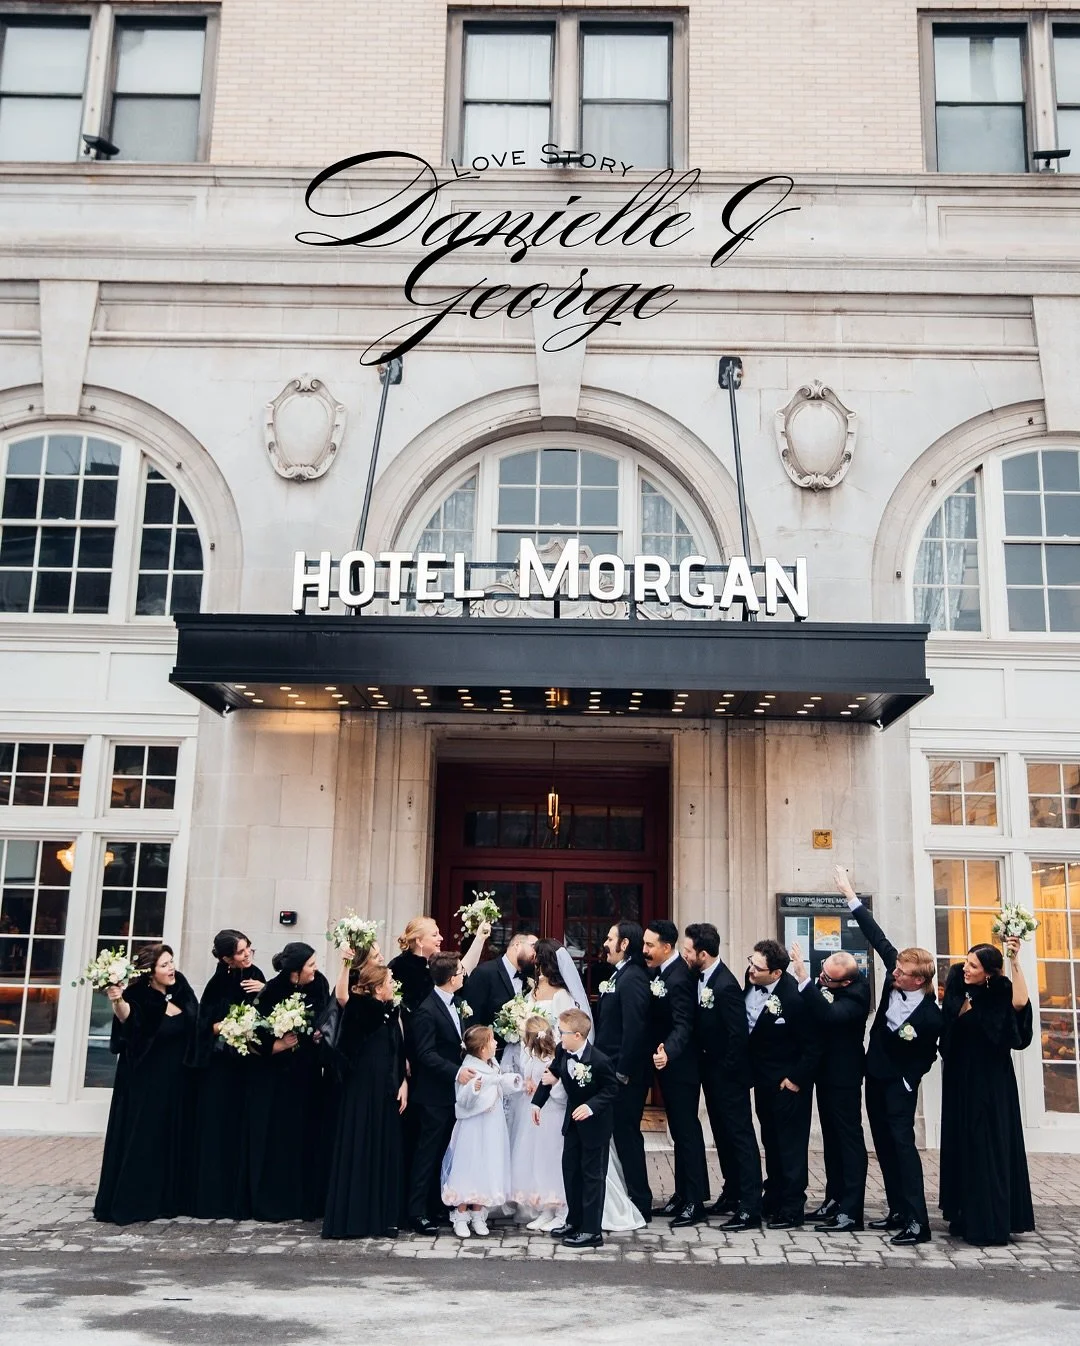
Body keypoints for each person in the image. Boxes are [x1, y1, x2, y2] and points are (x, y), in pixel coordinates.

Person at [836, 864, 942, 1245]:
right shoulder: (895, 977)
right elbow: (876, 936)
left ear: (919, 980)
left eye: (900, 971)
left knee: (903, 1146)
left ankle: (918, 1222)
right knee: (882, 1144)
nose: (893, 972)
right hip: (874, 1076)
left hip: (900, 1085)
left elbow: (930, 1055)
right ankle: (897, 1209)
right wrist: (850, 895)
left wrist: (908, 1078)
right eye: (896, 967)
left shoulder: (930, 1015)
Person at [93, 943, 199, 1225]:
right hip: (146, 1080)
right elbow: (130, 1020)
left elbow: (194, 1020)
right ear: (150, 972)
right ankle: (138, 1200)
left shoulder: (182, 988)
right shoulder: (138, 995)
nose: (171, 968)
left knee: (170, 1135)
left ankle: (169, 1199)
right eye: (164, 965)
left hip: (177, 1079)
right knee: (145, 1136)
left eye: (171, 962)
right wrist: (116, 999)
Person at [939, 938, 1035, 1246]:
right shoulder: (957, 984)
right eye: (966, 962)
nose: (966, 968)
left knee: (985, 1145)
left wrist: (1016, 960)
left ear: (989, 972)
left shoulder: (1000, 992)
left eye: (974, 966)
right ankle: (963, 1211)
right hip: (959, 1080)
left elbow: (1020, 1005)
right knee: (962, 1142)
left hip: (990, 1082)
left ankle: (989, 1220)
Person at [683, 922, 762, 1232]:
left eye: (688, 951)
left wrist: (725, 1073)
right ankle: (732, 1192)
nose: (684, 955)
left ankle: (750, 1206)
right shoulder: (699, 977)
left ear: (704, 953)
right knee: (723, 1136)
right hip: (711, 1073)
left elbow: (736, 1035)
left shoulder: (726, 985)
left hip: (729, 1077)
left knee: (740, 1138)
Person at [322, 959, 407, 1240]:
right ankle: (355, 1218)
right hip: (362, 1088)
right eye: (390, 983)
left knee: (384, 1148)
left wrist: (403, 1082)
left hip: (387, 1087)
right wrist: (345, 963)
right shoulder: (361, 1008)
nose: (394, 986)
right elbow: (343, 995)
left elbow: (398, 1051)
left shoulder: (392, 1010)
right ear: (378, 988)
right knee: (361, 1144)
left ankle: (383, 1218)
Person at [247, 942, 331, 1222]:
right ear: (295, 971)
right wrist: (277, 1045)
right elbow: (253, 1031)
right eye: (310, 965)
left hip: (308, 1073)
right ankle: (278, 1201)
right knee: (282, 1136)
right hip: (279, 1077)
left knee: (309, 1135)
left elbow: (325, 1014)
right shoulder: (273, 990)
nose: (315, 969)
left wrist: (320, 1033)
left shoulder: (319, 984)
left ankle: (309, 1201)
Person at [792, 940, 871, 1233]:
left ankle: (851, 1211)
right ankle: (834, 1199)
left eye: (827, 978)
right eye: (821, 973)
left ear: (846, 980)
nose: (821, 979)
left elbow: (829, 1015)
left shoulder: (857, 994)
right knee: (832, 1140)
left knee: (848, 1141)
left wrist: (802, 977)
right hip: (824, 1074)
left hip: (844, 1076)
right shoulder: (834, 983)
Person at [745, 938, 821, 1230]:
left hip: (788, 1085)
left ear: (776, 974)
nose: (751, 970)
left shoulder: (794, 997)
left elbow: (813, 1045)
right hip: (762, 1081)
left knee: (790, 1147)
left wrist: (795, 1080)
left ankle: (792, 1208)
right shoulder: (751, 982)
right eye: (751, 962)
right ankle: (773, 1196)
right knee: (771, 1142)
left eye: (757, 967)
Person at [190, 929, 265, 1219]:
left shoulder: (256, 973)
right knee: (221, 1128)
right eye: (241, 952)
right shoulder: (217, 984)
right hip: (221, 1068)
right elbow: (205, 1025)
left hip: (249, 1066)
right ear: (227, 958)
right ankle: (216, 1197)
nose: (247, 955)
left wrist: (264, 990)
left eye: (249, 949)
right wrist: (227, 1026)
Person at [405, 951, 479, 1234]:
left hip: (452, 1094)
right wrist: (457, 1071)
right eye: (460, 972)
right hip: (433, 1095)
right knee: (427, 1153)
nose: (463, 976)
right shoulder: (427, 1010)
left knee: (446, 1152)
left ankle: (438, 1204)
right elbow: (425, 1053)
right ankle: (417, 1211)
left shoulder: (457, 1002)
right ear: (450, 979)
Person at [532, 1007, 618, 1249]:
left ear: (578, 1036)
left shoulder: (600, 1060)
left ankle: (592, 1231)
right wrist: (537, 1103)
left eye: (563, 1032)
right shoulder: (563, 1051)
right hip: (572, 1125)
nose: (559, 1036)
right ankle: (574, 1221)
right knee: (570, 1172)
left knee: (592, 1177)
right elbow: (552, 1074)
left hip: (595, 1127)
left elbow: (611, 1090)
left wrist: (591, 1107)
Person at [643, 920, 708, 1228]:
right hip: (667, 1064)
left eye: (649, 945)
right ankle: (682, 1195)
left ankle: (694, 1200)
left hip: (680, 1066)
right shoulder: (662, 971)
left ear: (666, 947)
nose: (645, 950)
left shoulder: (679, 977)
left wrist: (667, 1050)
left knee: (686, 1132)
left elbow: (684, 1023)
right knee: (680, 1133)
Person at [594, 921, 653, 1223]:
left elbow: (635, 1029)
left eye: (610, 938)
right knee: (618, 1135)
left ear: (625, 943)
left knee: (627, 1135)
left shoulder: (632, 979)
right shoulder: (619, 975)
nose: (605, 943)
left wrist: (622, 1073)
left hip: (625, 1076)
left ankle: (640, 1198)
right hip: (612, 1070)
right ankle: (629, 1193)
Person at [441, 1023, 523, 1236]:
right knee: (469, 1166)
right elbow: (463, 1100)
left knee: (486, 1165)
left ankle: (478, 1213)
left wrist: (513, 1082)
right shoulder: (470, 1070)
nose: (497, 1043)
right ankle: (460, 1215)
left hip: (492, 1127)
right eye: (493, 1040)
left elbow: (497, 1087)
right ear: (483, 1048)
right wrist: (475, 1091)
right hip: (473, 1128)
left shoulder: (492, 1064)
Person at [512, 1014, 570, 1231]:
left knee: (553, 1160)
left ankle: (563, 1210)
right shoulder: (534, 1057)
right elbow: (531, 1076)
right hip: (535, 1117)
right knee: (539, 1161)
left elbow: (561, 1091)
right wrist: (528, 1082)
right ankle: (547, 1208)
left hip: (552, 1116)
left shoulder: (553, 1061)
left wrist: (547, 1088)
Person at [388, 916, 491, 1015]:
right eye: (434, 935)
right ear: (419, 941)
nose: (441, 938)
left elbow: (462, 972)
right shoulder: (398, 967)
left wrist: (480, 939)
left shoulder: (437, 963)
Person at [462, 931, 538, 1038]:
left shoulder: (529, 979)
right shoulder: (485, 973)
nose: (536, 953)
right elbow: (471, 1018)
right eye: (533, 946)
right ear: (517, 945)